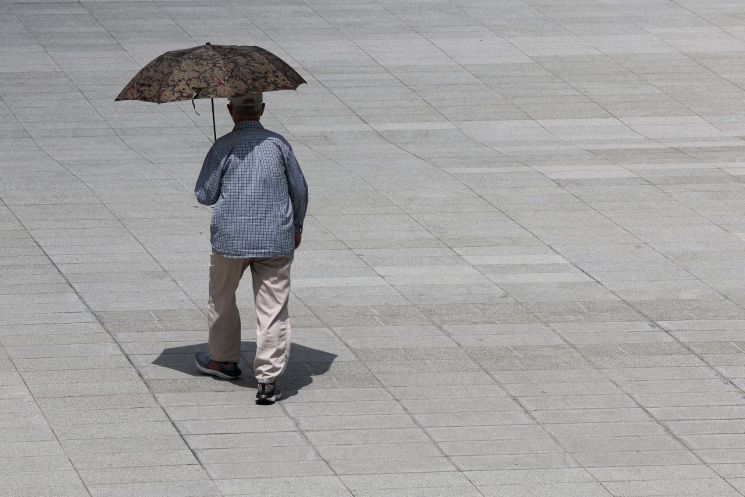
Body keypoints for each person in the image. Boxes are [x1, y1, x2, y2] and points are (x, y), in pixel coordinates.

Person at [193, 92, 308, 404]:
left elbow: (204, 194)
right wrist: (297, 227)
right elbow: (299, 188)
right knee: (272, 307)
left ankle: (223, 360)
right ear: (262, 110)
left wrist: (219, 156)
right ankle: (268, 380)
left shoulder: (223, 146)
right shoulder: (278, 144)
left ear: (231, 111)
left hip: (230, 240)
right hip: (275, 238)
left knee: (221, 297)